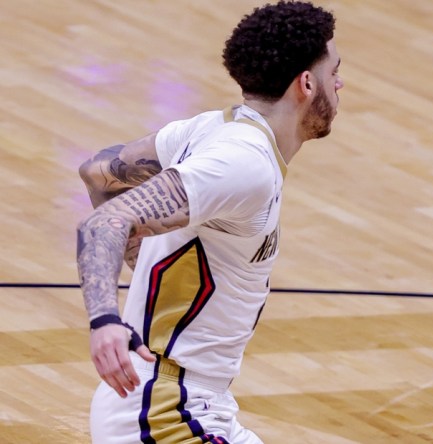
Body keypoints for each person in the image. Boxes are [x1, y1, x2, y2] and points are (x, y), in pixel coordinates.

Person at [76, 2, 342, 442]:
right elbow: (103, 222)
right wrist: (105, 321)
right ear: (307, 83)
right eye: (335, 72)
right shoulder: (244, 164)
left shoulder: (213, 128)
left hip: (187, 401)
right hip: (165, 411)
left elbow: (99, 171)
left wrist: (142, 257)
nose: (341, 83)